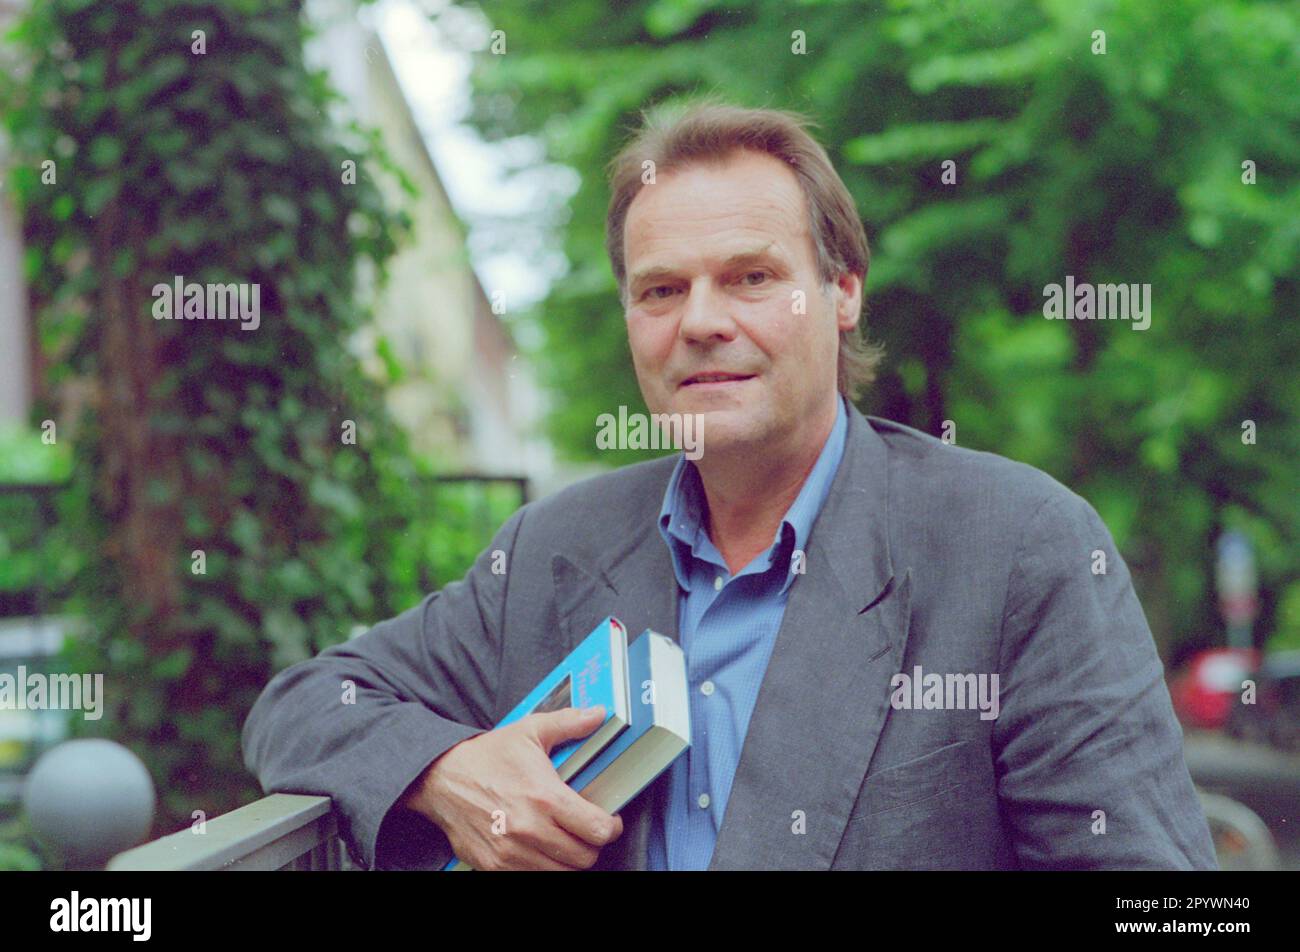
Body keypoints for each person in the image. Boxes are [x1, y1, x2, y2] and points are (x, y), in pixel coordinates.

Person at [242, 99, 1218, 870]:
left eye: (750, 277)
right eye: (661, 290)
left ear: (842, 292)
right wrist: (445, 771)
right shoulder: (554, 551)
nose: (699, 321)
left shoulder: (1017, 548)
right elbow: (303, 702)